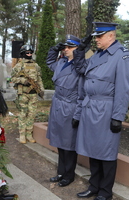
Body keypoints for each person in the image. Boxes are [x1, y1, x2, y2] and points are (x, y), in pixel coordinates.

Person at [74, 22, 129, 200]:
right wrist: (80, 51)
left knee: (107, 153)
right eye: (95, 37)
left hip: (107, 110)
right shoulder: (97, 55)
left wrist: (118, 116)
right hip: (91, 108)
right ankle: (94, 186)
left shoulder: (122, 56)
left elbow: (124, 88)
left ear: (111, 36)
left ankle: (105, 192)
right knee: (94, 150)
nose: (96, 40)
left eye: (100, 36)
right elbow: (81, 69)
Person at [46, 35, 85, 187]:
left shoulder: (80, 66)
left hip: (70, 106)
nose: (66, 49)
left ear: (77, 49)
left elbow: (82, 93)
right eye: (64, 47)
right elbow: (49, 62)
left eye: (70, 47)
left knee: (69, 145)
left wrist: (78, 114)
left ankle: (69, 175)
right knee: (59, 142)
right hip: (57, 105)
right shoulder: (61, 62)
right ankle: (61, 172)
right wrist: (54, 49)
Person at [11, 45, 44, 144]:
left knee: (32, 114)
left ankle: (29, 134)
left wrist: (41, 89)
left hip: (33, 94)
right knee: (23, 114)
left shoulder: (36, 65)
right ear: (23, 53)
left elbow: (39, 79)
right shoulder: (19, 66)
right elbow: (13, 78)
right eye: (27, 52)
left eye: (30, 52)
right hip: (23, 94)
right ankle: (22, 134)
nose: (29, 54)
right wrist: (22, 80)